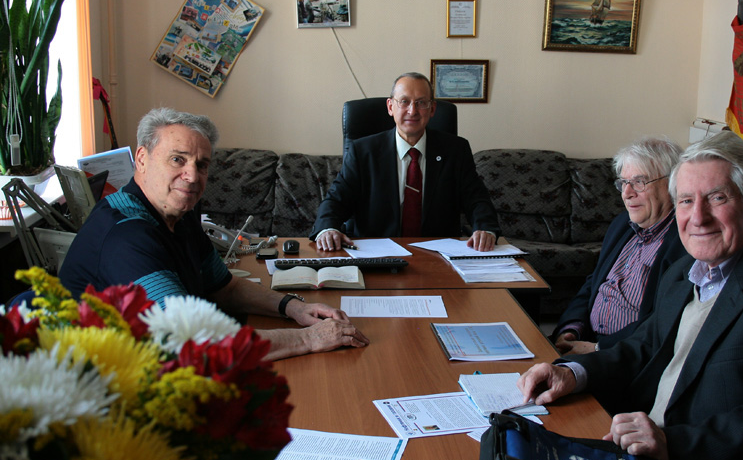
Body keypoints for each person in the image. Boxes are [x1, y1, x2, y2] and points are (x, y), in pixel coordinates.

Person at [516, 131, 743, 460]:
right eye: (687, 201)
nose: (698, 217)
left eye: (717, 198)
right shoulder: (685, 271)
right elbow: (644, 347)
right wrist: (572, 373)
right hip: (642, 454)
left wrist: (671, 443)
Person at [60, 108, 369, 360]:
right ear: (141, 159)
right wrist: (309, 339)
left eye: (202, 165)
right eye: (178, 159)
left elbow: (224, 287)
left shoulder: (180, 213)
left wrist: (294, 307)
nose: (193, 176)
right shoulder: (125, 237)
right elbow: (195, 344)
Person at [310, 72, 500, 251]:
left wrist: (485, 229)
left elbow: (476, 199)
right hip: (377, 253)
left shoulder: (455, 150)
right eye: (404, 102)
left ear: (432, 109)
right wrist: (328, 229)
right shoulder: (363, 151)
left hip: (439, 254)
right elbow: (337, 199)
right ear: (390, 107)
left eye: (421, 103)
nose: (413, 110)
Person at [552, 137, 687, 353]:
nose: (626, 193)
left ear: (672, 184)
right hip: (586, 341)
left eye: (639, 182)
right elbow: (593, 283)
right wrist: (572, 328)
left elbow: (663, 322)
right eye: (623, 183)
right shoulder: (622, 225)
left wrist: (597, 348)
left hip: (627, 356)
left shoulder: (685, 243)